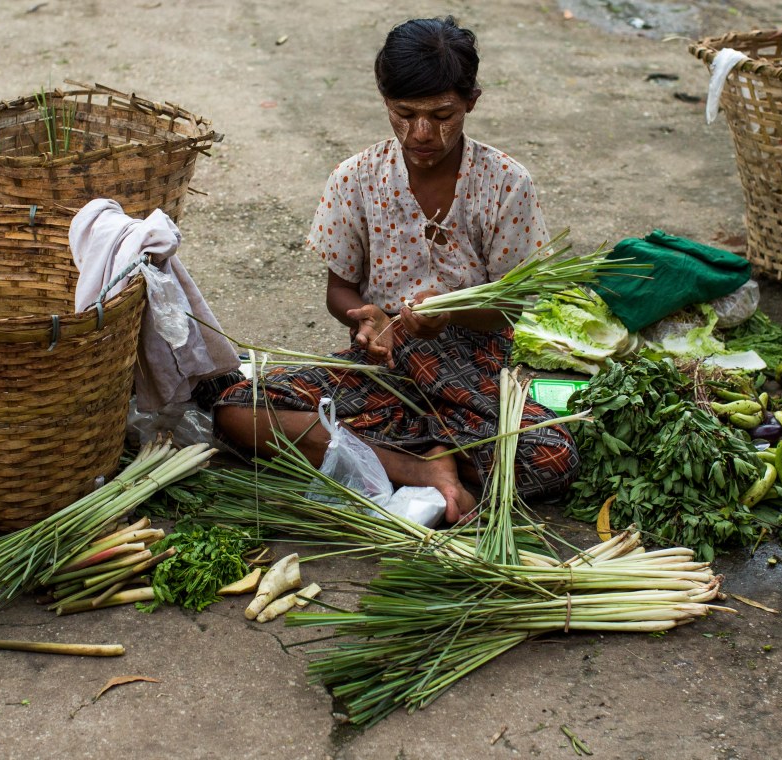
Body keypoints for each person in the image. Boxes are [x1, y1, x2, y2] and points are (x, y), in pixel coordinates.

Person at [212, 16, 579, 523]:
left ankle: (385, 454)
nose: (421, 132)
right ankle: (423, 467)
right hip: (382, 361)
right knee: (236, 410)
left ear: (471, 102)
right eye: (404, 113)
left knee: (554, 455)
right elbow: (339, 290)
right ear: (385, 100)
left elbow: (508, 306)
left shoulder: (506, 183)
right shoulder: (356, 178)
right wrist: (366, 318)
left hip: (473, 369)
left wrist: (451, 316)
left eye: (441, 114)